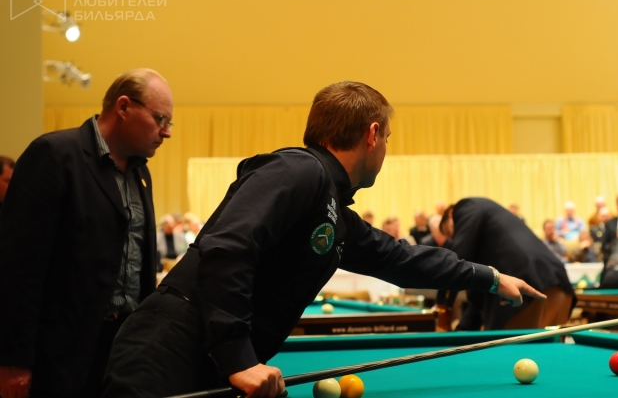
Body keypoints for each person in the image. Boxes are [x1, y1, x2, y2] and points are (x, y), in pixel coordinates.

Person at [102, 81, 545, 398]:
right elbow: (227, 248)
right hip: (168, 348)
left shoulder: (332, 209)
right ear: (372, 134)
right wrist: (240, 358)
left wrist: (490, 277)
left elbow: (402, 259)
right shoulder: (298, 169)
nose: (385, 150)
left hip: (201, 354)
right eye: (387, 138)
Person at [0, 68, 172, 398]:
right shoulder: (54, 155)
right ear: (124, 107)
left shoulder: (141, 173)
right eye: (160, 119)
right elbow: (17, 268)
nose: (166, 132)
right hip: (59, 356)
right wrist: (13, 361)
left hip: (123, 353)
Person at [438, 198, 575, 331]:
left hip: (527, 292)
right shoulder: (490, 218)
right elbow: (477, 298)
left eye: (450, 233)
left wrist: (444, 305)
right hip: (559, 288)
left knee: (505, 346)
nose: (454, 239)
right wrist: (462, 330)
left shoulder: (466, 207)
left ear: (451, 214)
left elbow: (457, 261)